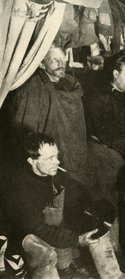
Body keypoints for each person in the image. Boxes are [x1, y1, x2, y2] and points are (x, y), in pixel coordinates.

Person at [6, 133, 99, 277]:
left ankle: (66, 266)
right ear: (32, 161)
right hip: (20, 235)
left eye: (56, 156)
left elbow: (75, 204)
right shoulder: (22, 188)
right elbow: (38, 229)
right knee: (45, 254)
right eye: (50, 158)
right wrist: (77, 239)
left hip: (45, 227)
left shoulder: (54, 174)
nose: (57, 162)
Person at [9, 46, 89, 186]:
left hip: (73, 150)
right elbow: (26, 129)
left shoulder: (72, 84)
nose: (60, 64)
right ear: (41, 64)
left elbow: (79, 125)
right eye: (54, 60)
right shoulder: (33, 89)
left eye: (62, 60)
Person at [84, 54, 125, 204]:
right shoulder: (100, 97)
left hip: (121, 146)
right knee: (115, 184)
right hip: (102, 149)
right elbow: (107, 132)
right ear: (116, 74)